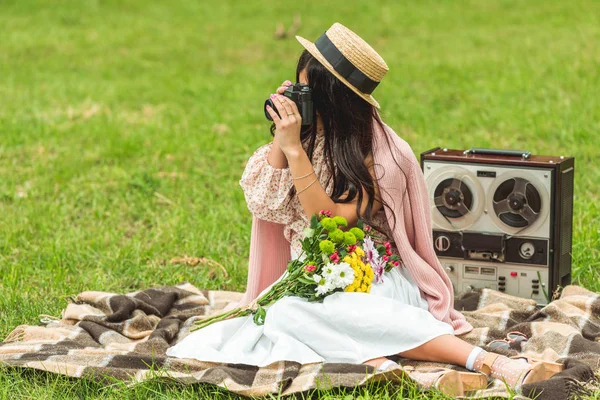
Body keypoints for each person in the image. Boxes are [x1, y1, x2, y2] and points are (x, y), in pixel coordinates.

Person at [167, 22, 559, 395]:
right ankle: (385, 366)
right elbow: (265, 201)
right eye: (297, 89)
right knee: (284, 313)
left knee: (303, 317)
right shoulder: (307, 134)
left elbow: (331, 223)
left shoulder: (381, 153)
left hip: (373, 277)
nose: (300, 100)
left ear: (333, 99)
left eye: (308, 92)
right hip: (310, 280)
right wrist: (283, 140)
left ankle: (489, 362)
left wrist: (294, 151)